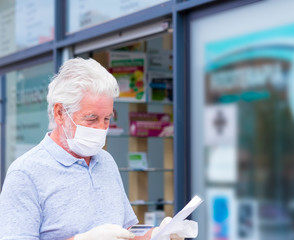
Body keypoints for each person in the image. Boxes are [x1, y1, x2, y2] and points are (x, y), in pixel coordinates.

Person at [0, 58, 197, 240]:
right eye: (91, 118)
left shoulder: (105, 161)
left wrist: (155, 235)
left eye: (107, 119)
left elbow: (123, 234)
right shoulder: (25, 174)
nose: (101, 128)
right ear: (60, 113)